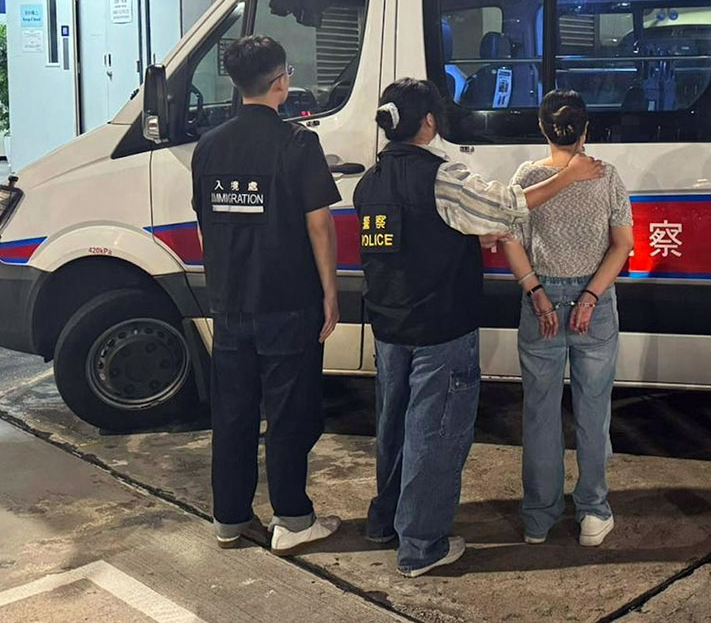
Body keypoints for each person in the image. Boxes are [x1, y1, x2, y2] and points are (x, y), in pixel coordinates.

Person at [354, 78, 603, 576]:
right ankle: (422, 545)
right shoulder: (443, 176)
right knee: (435, 433)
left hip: (390, 325)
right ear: (429, 121)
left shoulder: (370, 180)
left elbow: (414, 238)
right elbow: (507, 205)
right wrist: (570, 175)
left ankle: (387, 521)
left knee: (394, 425)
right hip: (440, 327)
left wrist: (469, 237)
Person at [191, 35, 342, 554]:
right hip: (288, 302)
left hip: (229, 305)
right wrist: (330, 292)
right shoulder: (297, 143)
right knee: (289, 414)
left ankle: (229, 518)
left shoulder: (208, 146)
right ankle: (293, 520)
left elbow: (206, 228)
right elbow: (319, 225)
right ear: (281, 82)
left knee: (232, 414)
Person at [500, 90, 633, 547]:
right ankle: (593, 512)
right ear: (585, 129)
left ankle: (538, 519)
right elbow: (622, 244)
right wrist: (591, 296)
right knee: (593, 412)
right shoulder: (606, 175)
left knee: (540, 411)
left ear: (543, 129)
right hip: (593, 305)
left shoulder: (527, 177)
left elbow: (510, 240)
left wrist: (536, 292)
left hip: (541, 302)